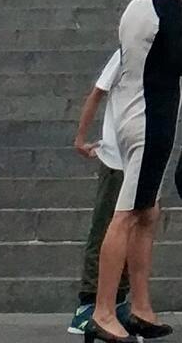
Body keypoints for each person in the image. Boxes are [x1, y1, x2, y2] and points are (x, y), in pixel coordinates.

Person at [91, 0, 182, 343]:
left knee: (147, 212)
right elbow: (181, 61)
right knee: (127, 214)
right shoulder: (171, 6)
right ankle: (104, 309)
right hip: (151, 119)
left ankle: (140, 306)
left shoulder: (137, 4)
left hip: (128, 113)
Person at [70, 40, 133, 336]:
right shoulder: (125, 54)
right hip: (115, 156)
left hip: (140, 156)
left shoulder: (162, 52)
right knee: (106, 227)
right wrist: (81, 138)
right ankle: (88, 302)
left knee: (131, 231)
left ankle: (119, 298)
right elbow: (98, 91)